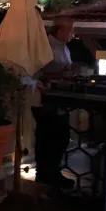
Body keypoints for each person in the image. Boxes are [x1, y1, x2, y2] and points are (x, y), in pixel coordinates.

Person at [32, 15, 76, 189]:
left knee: (61, 137)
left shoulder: (65, 48)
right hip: (43, 99)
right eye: (70, 29)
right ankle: (45, 175)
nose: (73, 33)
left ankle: (52, 172)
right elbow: (36, 74)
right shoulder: (45, 47)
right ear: (59, 30)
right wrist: (61, 74)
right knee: (49, 138)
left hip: (59, 99)